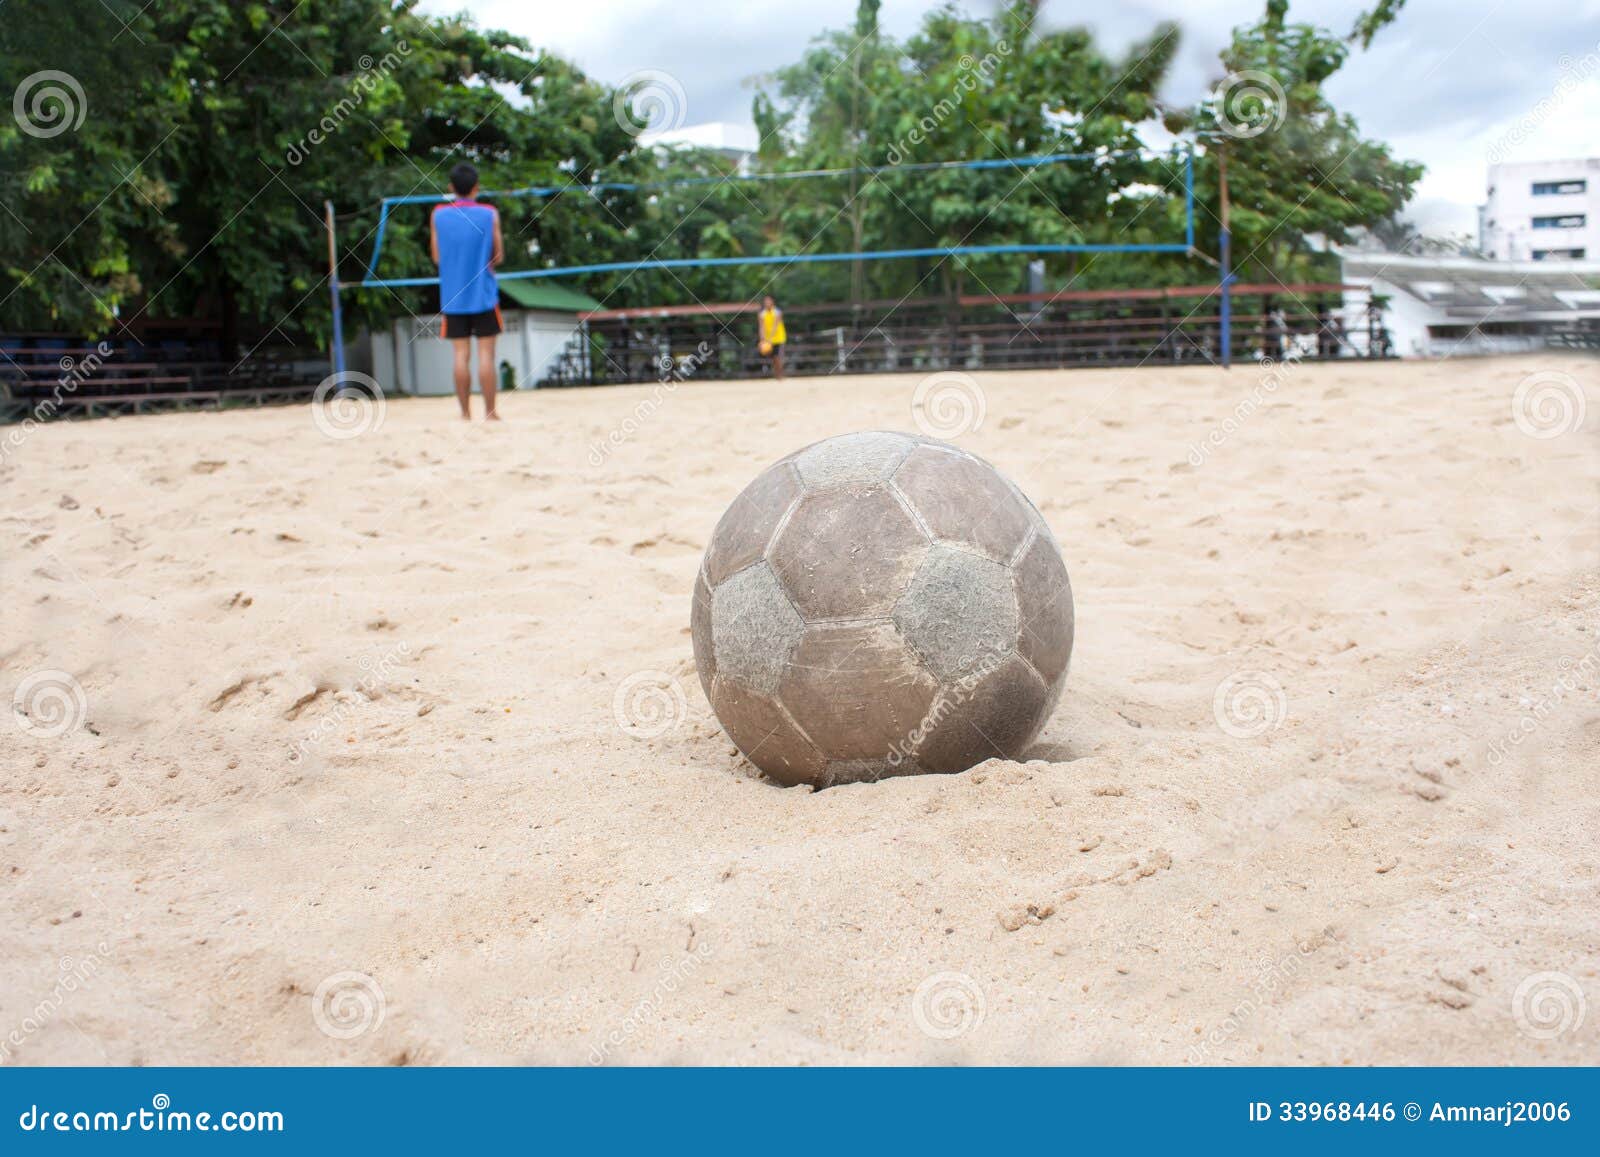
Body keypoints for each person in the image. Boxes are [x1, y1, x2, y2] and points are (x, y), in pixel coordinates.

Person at [430, 161, 504, 420]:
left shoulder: (438, 214)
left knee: (460, 356)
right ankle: (491, 413)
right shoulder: (489, 213)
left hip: (453, 296)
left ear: (451, 187)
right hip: (483, 294)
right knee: (486, 356)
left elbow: (437, 256)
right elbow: (498, 256)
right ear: (476, 187)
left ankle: (464, 414)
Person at [757, 294, 786, 381]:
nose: (767, 302)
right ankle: (777, 375)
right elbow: (761, 327)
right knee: (773, 358)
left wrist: (770, 338)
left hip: (779, 338)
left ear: (773, 302)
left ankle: (780, 375)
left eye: (769, 301)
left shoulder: (778, 312)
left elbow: (775, 326)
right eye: (765, 301)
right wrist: (762, 338)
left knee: (778, 357)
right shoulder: (761, 314)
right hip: (768, 339)